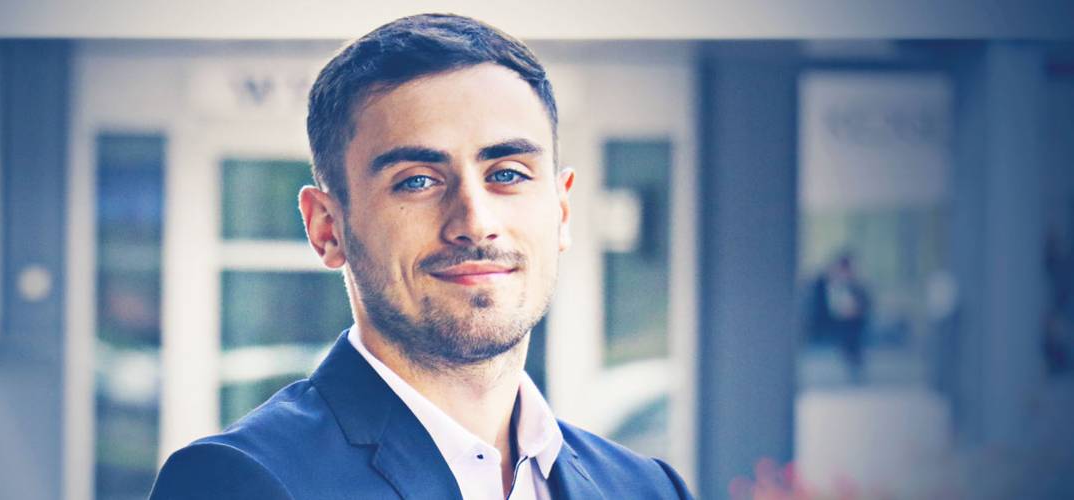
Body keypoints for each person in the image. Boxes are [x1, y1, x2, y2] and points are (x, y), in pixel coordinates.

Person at [150, 13, 691, 500]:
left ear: (562, 210)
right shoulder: (236, 482)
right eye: (417, 181)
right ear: (327, 228)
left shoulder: (648, 488)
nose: (475, 222)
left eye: (507, 173)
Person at [806, 252, 871, 384]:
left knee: (851, 336)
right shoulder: (823, 283)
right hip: (829, 321)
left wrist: (855, 310)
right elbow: (818, 307)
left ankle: (853, 364)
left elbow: (865, 304)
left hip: (852, 322)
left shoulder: (856, 285)